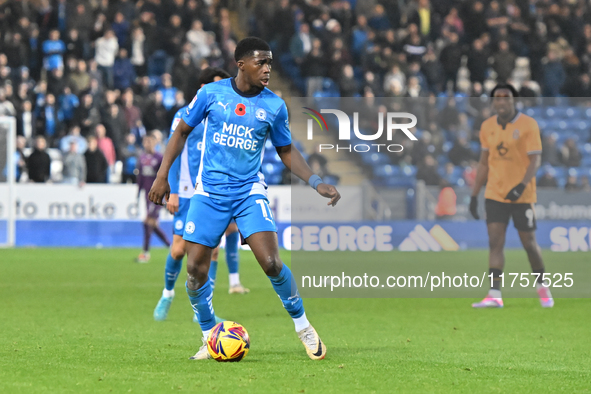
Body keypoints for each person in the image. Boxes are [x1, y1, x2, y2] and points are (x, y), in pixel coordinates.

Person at [149, 37, 340, 361]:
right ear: (241, 65)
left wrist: (315, 181)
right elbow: (181, 131)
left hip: (248, 191)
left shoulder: (274, 105)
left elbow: (286, 150)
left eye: (269, 63)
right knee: (195, 268)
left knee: (271, 262)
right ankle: (210, 333)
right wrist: (161, 175)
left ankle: (303, 326)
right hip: (208, 193)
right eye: (260, 63)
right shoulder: (211, 94)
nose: (267, 69)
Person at [153, 67, 249, 323]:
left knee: (213, 251)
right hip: (184, 192)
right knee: (178, 249)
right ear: (203, 89)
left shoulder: (226, 117)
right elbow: (172, 153)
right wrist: (172, 190)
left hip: (212, 191)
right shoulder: (185, 115)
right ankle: (168, 294)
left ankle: (205, 308)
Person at [469, 83, 553, 308]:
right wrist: (474, 194)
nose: (501, 102)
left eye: (506, 98)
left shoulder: (528, 125)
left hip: (521, 196)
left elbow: (535, 159)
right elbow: (484, 162)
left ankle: (543, 287)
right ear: (493, 102)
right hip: (495, 193)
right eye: (497, 98)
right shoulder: (487, 126)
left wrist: (521, 185)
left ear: (514, 101)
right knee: (495, 242)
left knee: (530, 244)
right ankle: (494, 294)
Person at [136, 133, 171, 263]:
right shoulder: (142, 158)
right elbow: (140, 177)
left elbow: (165, 176)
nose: (147, 144)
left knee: (147, 222)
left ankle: (145, 253)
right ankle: (170, 246)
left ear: (155, 143)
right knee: (151, 224)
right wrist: (138, 192)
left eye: (150, 142)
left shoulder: (159, 158)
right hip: (146, 195)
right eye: (145, 142)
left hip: (157, 195)